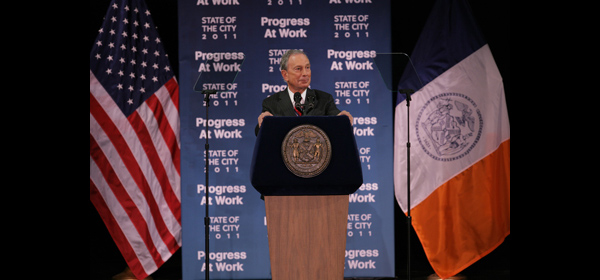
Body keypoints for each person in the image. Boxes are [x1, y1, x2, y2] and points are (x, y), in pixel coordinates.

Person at [255, 49, 353, 135]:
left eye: (307, 68)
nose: (305, 73)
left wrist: (342, 118)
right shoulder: (271, 103)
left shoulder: (324, 99)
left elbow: (335, 116)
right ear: (285, 75)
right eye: (298, 69)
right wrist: (264, 123)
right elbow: (259, 133)